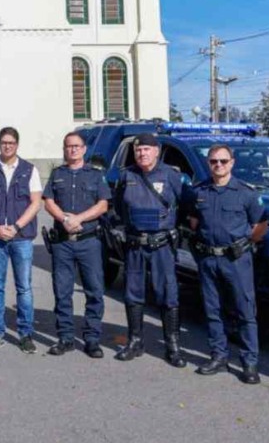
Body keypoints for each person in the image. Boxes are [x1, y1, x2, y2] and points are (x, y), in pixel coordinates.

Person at [183, 143, 266, 383]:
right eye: (213, 162)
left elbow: (260, 226)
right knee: (213, 310)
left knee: (245, 311)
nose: (218, 165)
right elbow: (193, 220)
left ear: (232, 163)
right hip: (208, 258)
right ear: (208, 164)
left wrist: (243, 244)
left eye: (223, 161)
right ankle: (218, 356)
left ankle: (249, 362)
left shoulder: (246, 192)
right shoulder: (199, 192)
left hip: (236, 259)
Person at [115, 133, 186, 366]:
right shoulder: (127, 176)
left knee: (168, 294)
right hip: (136, 244)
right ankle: (135, 341)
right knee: (133, 293)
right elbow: (119, 207)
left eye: (146, 149)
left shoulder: (171, 176)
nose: (142, 153)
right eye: (138, 150)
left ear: (157, 151)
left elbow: (186, 206)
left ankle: (173, 345)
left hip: (162, 246)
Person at [42, 131, 111, 358]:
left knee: (94, 291)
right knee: (62, 292)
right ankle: (66, 337)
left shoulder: (95, 175)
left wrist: (78, 219)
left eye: (76, 146)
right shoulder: (57, 174)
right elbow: (48, 202)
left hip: (88, 242)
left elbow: (103, 205)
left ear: (83, 149)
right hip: (62, 242)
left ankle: (92, 338)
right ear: (64, 150)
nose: (72, 150)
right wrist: (64, 219)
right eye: (68, 146)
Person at [0, 126, 43, 354]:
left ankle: (26, 335)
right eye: (4, 142)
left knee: (24, 288)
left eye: (11, 143)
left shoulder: (29, 170)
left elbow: (35, 203)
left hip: (21, 237)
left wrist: (15, 227)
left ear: (17, 144)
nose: (7, 146)